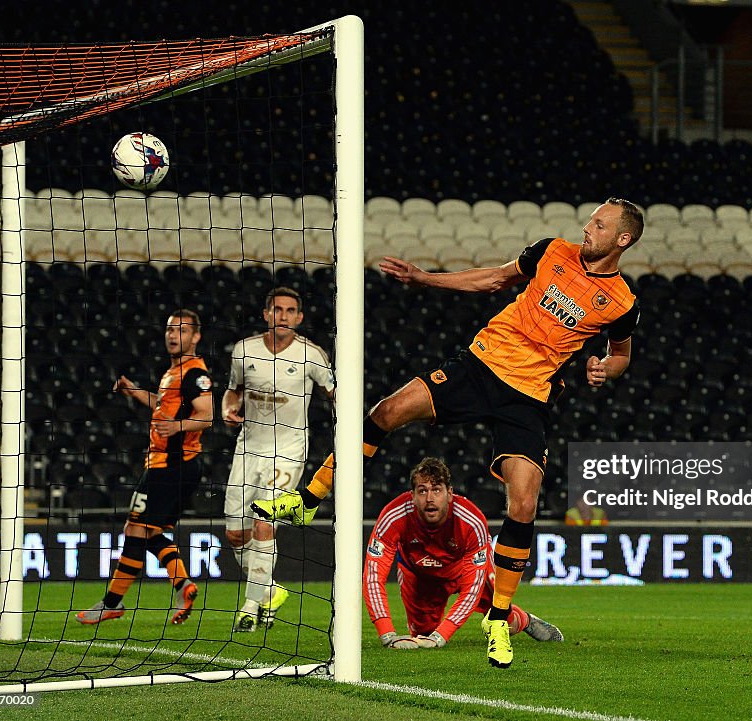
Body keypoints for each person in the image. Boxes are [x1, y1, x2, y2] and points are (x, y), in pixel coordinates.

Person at [255, 197, 643, 668]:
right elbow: (495, 279)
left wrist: (607, 369)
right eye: (590, 220)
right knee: (387, 410)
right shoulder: (551, 251)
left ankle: (498, 619)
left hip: (528, 395)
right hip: (479, 366)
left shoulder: (621, 302)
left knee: (524, 501)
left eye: (599, 225)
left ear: (622, 239)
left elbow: (620, 353)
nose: (587, 228)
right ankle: (309, 499)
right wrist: (425, 278)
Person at [76, 310, 214, 625]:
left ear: (195, 337)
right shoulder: (173, 373)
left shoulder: (195, 373)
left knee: (140, 531)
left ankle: (120, 601)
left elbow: (206, 415)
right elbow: (164, 406)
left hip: (173, 466)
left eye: (181, 330)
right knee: (142, 532)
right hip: (164, 465)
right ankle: (178, 586)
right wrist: (135, 391)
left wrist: (176, 428)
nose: (172, 335)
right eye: (169, 329)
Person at [222, 287, 335, 632]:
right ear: (266, 314)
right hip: (248, 449)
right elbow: (233, 391)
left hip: (288, 450)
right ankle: (270, 590)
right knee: (236, 536)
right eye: (277, 310)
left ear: (299, 318)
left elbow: (334, 391)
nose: (283, 316)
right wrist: (228, 407)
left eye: (290, 311)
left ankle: (250, 606)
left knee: (263, 522)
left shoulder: (311, 355)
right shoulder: (244, 351)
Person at [364, 456, 563, 650]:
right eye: (422, 491)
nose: (430, 498)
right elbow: (373, 576)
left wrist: (442, 636)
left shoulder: (471, 520)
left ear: (450, 493)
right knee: (423, 637)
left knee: (500, 616)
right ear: (412, 496)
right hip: (419, 577)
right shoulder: (393, 516)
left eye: (436, 490)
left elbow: (472, 588)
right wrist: (387, 634)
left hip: (462, 571)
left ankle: (523, 619)